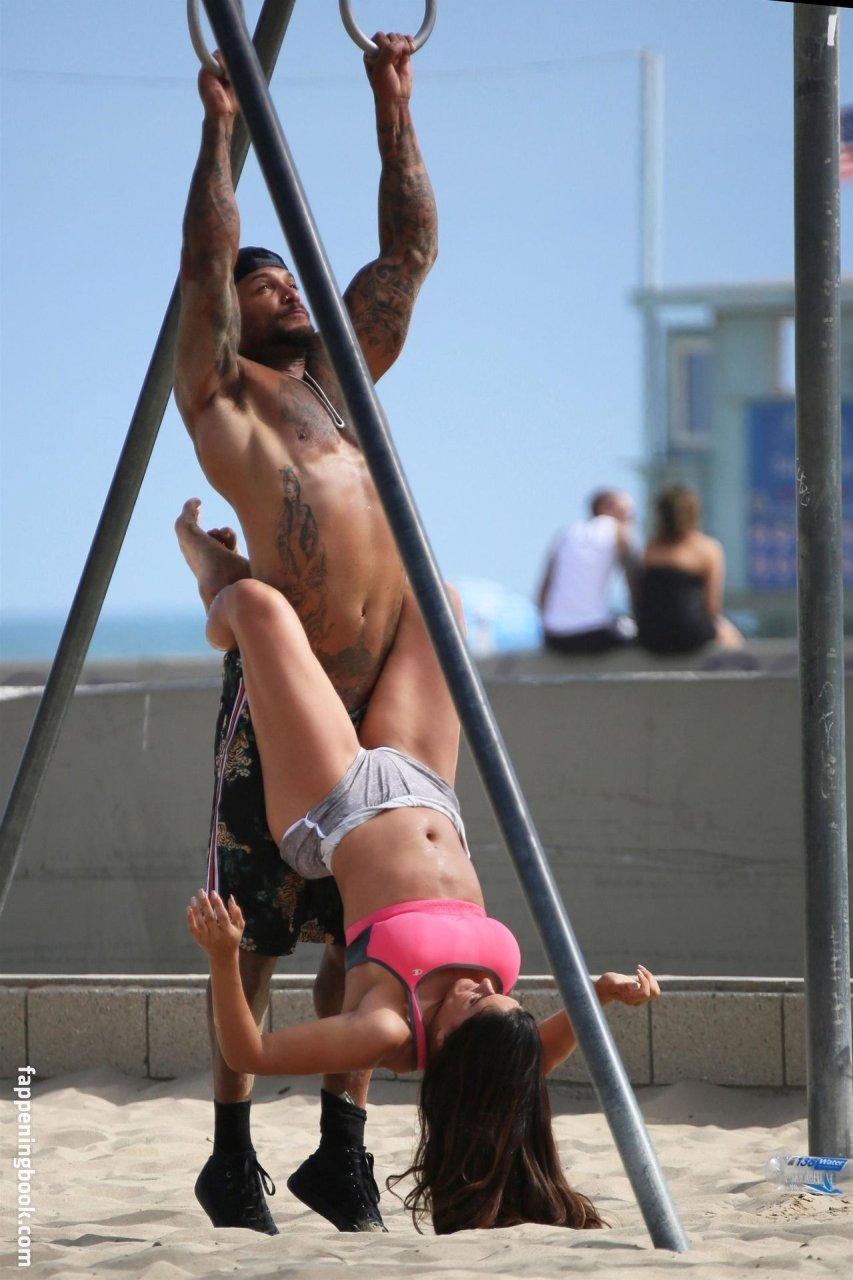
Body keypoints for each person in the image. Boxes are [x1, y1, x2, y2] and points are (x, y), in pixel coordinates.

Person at [179, 511, 661, 1234]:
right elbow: (545, 1047)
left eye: (475, 1004)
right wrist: (603, 996)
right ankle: (239, 580)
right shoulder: (500, 1037)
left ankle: (213, 582)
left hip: (334, 806)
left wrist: (221, 957)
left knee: (255, 608)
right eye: (502, 995)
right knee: (441, 601)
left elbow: (252, 1049)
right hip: (429, 788)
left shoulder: (388, 1026)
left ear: (453, 1053)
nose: (485, 986)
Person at [173, 33, 437, 1235]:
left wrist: (393, 106)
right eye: (262, 281)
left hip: (373, 704)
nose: (285, 286)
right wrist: (220, 129)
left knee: (361, 935)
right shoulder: (224, 396)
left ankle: (340, 1150)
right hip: (283, 706)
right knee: (256, 936)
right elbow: (204, 259)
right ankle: (230, 1156)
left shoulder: (342, 380)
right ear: (226, 318)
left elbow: (409, 252)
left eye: (290, 277)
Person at [634, 484, 744, 655]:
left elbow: (639, 598)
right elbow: (711, 607)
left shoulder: (648, 549)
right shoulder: (708, 549)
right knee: (733, 636)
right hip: (689, 634)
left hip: (650, 637)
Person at [538, 490, 638, 654]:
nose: (632, 520)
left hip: (554, 637)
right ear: (606, 508)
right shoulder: (618, 530)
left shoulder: (566, 534)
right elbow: (635, 582)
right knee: (631, 628)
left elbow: (544, 590)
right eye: (626, 512)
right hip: (593, 634)